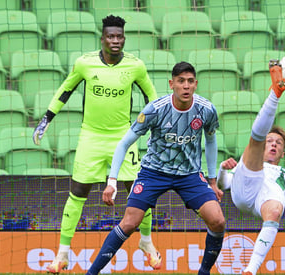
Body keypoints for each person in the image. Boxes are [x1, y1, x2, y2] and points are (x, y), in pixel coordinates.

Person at [32, 15, 160, 274]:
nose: (115, 41)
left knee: (139, 192)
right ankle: (62, 255)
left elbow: (152, 97)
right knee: (77, 192)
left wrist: (157, 125)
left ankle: (146, 242)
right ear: (102, 38)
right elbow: (65, 91)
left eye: (119, 36)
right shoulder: (84, 64)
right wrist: (46, 119)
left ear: (124, 38)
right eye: (110, 36)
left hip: (125, 138)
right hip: (90, 137)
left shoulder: (136, 66)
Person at [85, 62, 226, 275]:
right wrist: (112, 181)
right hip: (153, 172)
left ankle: (204, 272)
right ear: (172, 84)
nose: (185, 86)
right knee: (130, 222)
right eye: (180, 81)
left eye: (189, 81)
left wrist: (213, 181)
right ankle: (91, 273)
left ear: (195, 84)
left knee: (218, 221)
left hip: (189, 175)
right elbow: (123, 144)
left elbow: (211, 141)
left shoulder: (206, 109)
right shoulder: (155, 109)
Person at [217, 60, 285, 275]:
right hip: (245, 189)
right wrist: (222, 169)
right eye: (271, 141)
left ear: (283, 152)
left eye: (278, 143)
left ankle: (250, 270)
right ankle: (275, 93)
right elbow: (224, 185)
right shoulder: (252, 157)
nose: (274, 144)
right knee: (255, 142)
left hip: (266, 201)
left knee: (277, 209)